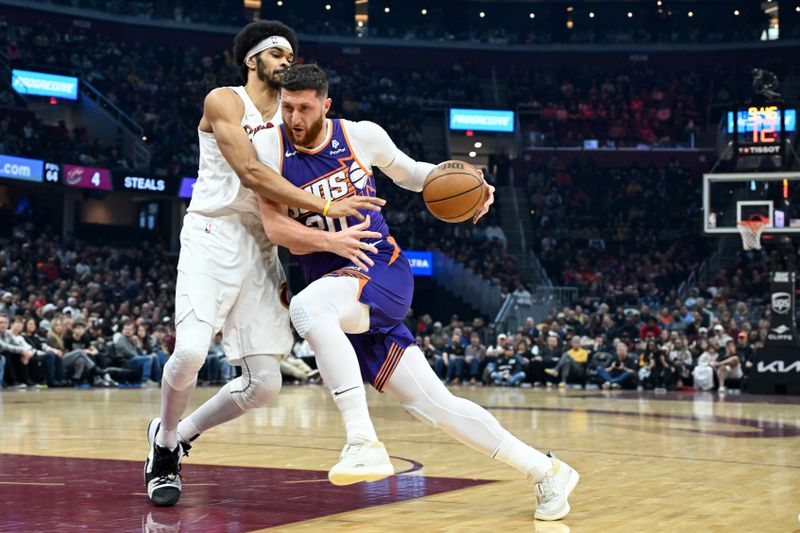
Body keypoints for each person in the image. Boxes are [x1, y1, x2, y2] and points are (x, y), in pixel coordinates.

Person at [253, 64, 576, 521]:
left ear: (325, 105)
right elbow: (275, 226)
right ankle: (547, 471)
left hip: (381, 270)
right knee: (436, 406)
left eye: (304, 107)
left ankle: (362, 441)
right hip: (337, 292)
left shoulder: (360, 136)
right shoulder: (269, 145)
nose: (294, 116)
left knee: (307, 307)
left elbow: (410, 173)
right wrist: (330, 241)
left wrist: (472, 179)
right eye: (287, 107)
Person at [144, 20, 385, 507]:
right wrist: (324, 209)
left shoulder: (291, 118)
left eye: (293, 54)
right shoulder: (225, 100)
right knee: (190, 352)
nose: (288, 60)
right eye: (278, 53)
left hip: (262, 245)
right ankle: (164, 447)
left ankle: (178, 434)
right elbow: (250, 172)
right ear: (253, 59)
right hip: (212, 235)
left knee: (265, 385)